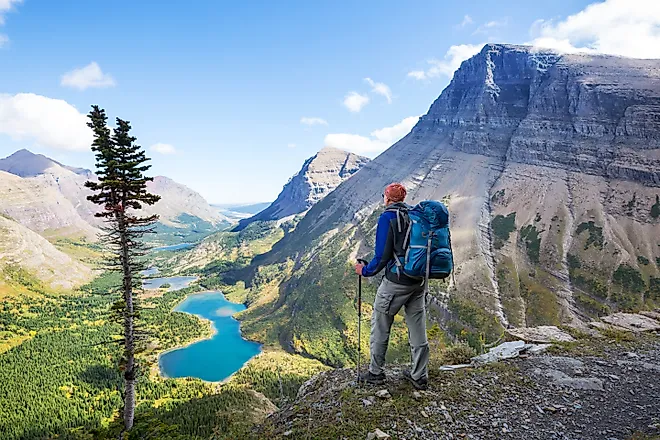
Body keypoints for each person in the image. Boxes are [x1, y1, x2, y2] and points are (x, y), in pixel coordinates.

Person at [355, 183, 429, 390]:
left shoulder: (387, 217)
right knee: (417, 325)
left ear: (387, 198)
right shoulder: (415, 215)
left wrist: (365, 271)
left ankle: (375, 373)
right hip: (418, 280)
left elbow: (381, 256)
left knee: (381, 323)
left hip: (396, 282)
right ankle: (419, 375)